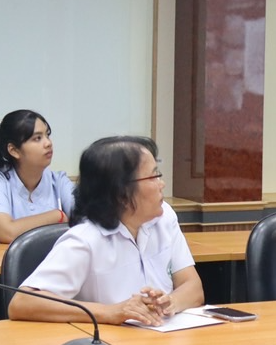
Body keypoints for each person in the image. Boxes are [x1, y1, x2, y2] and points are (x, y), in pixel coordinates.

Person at [11, 135, 204, 325]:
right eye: (154, 176)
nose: (162, 184)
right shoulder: (85, 240)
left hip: (165, 341)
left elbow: (193, 288)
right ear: (121, 193)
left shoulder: (164, 218)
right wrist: (110, 312)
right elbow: (22, 303)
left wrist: (171, 302)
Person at [0, 108, 75, 243]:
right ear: (14, 150)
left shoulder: (59, 180)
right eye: (37, 138)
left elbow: (88, 220)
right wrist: (58, 216)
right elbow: (7, 233)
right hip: (2, 262)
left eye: (47, 135)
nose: (48, 143)